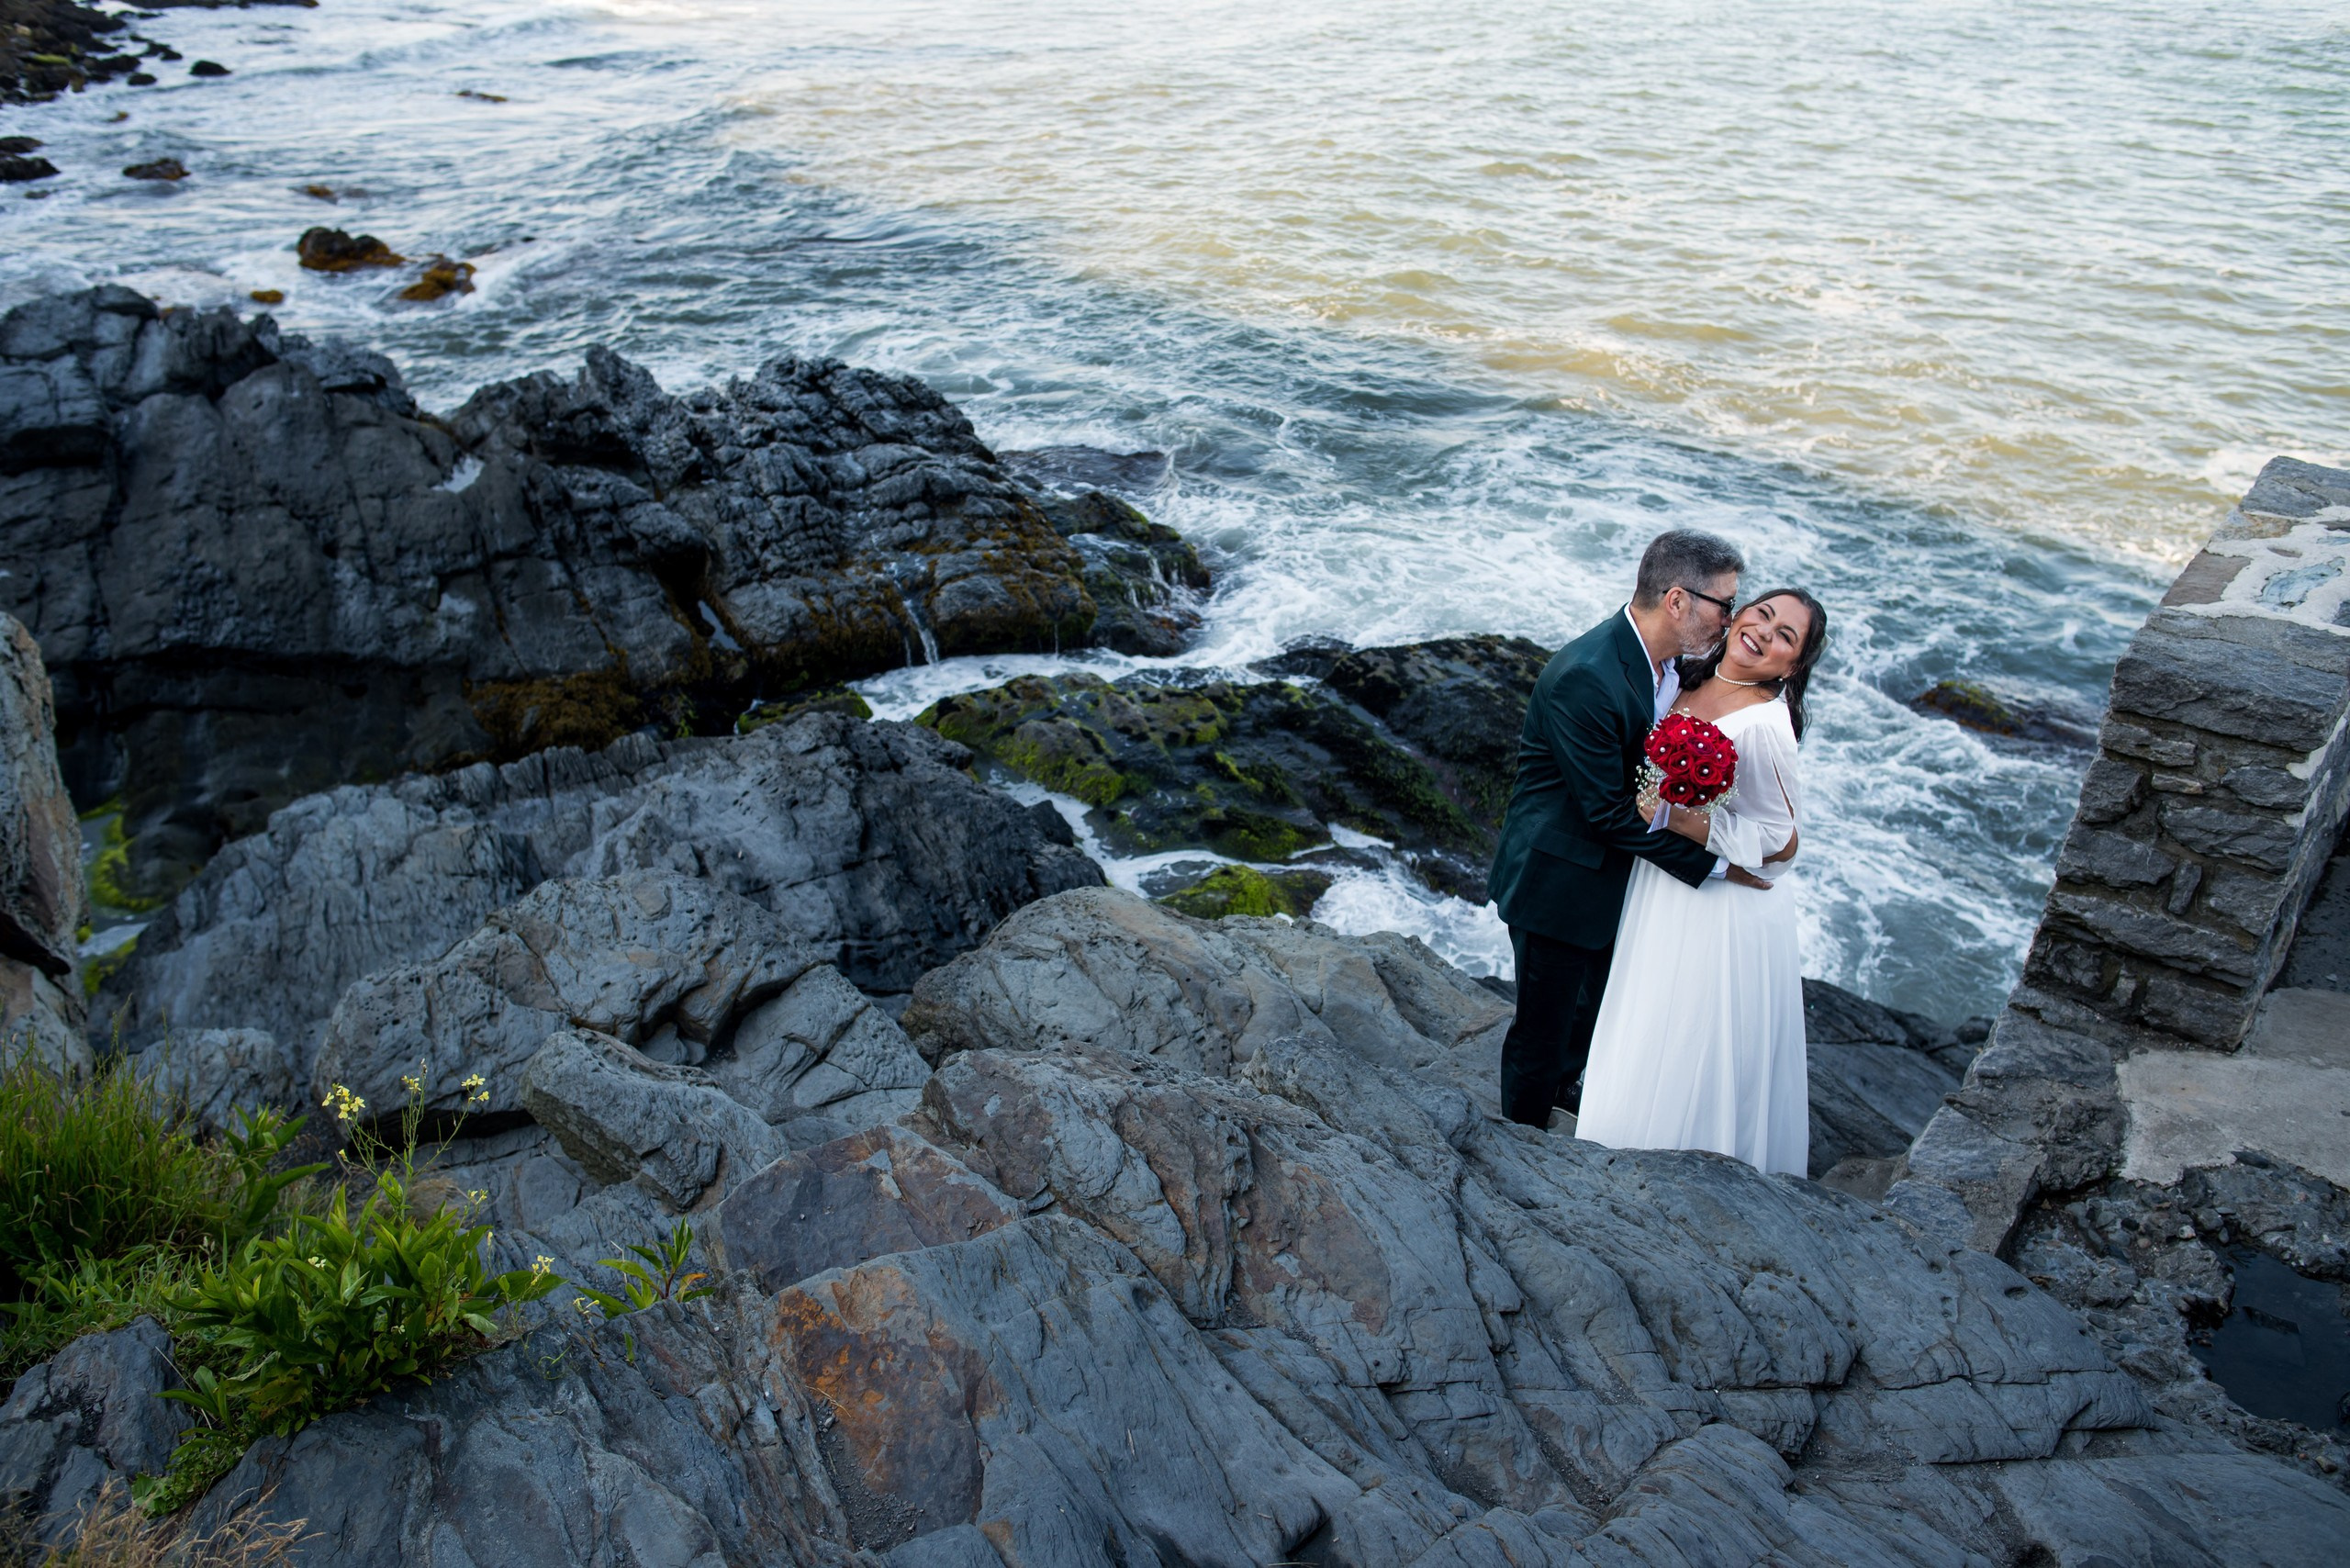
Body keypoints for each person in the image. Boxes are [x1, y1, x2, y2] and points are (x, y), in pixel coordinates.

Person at [1486, 529, 1759, 1128]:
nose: (1731, 620)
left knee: (1593, 1015)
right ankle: (1518, 1145)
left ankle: (1566, 1094)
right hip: (1556, 883)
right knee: (1542, 1033)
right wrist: (1716, 866)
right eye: (1725, 605)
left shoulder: (1668, 668)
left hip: (1615, 879)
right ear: (1678, 601)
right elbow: (1608, 812)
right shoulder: (1588, 675)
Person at [1573, 588, 1829, 1176]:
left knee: (1686, 1030)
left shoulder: (1766, 725)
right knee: (1645, 1013)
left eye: (1785, 636)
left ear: (1792, 667)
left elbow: (1782, 842)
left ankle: (1686, 1171)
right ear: (1739, 615)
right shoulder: (1682, 678)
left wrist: (1682, 817)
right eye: (1762, 614)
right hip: (1664, 882)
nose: (1764, 632)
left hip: (1719, 907)